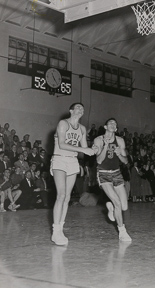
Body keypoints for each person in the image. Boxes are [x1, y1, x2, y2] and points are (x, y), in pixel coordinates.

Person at [50, 102, 95, 246]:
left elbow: (84, 148)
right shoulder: (63, 123)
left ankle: (60, 228)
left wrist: (95, 147)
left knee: (67, 197)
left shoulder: (82, 128)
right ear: (71, 110)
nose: (81, 109)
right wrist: (84, 150)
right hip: (59, 159)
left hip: (72, 161)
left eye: (82, 107)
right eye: (77, 107)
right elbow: (62, 144)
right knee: (61, 195)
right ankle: (55, 231)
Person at [92, 118, 132, 242]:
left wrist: (120, 154)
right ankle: (122, 231)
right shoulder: (98, 140)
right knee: (117, 203)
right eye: (110, 123)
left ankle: (110, 206)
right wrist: (105, 146)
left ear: (116, 128)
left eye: (115, 123)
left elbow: (126, 161)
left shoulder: (120, 140)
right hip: (103, 174)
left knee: (124, 206)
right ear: (105, 127)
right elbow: (98, 161)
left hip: (117, 173)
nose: (113, 124)